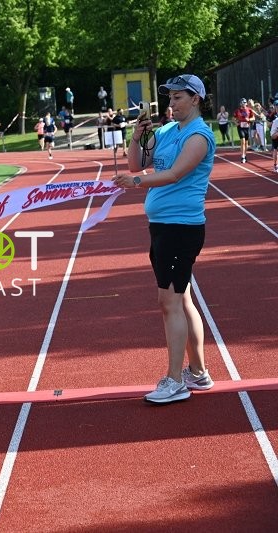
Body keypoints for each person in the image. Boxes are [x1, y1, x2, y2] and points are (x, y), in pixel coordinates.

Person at [112, 74, 215, 404]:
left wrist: (136, 181)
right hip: (162, 226)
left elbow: (172, 174)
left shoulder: (199, 136)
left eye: (178, 98)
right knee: (181, 299)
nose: (171, 103)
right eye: (169, 98)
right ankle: (197, 373)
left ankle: (175, 381)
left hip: (180, 227)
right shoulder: (169, 131)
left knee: (169, 301)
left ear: (195, 99)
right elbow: (139, 162)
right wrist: (137, 138)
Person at [232, 98, 255, 163]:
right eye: (242, 102)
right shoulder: (237, 111)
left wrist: (249, 120)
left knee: (246, 143)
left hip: (247, 127)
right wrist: (236, 123)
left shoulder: (249, 110)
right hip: (240, 127)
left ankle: (245, 155)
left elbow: (253, 118)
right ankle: (242, 156)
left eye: (244, 102)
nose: (243, 104)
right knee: (243, 141)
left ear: (246, 103)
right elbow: (233, 118)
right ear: (240, 104)